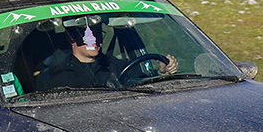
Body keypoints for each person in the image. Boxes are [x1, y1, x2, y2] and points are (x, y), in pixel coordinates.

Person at [35, 20, 178, 91]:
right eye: (87, 35)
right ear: (71, 39)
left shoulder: (115, 64)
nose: (95, 40)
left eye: (97, 33)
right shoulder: (58, 76)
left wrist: (161, 73)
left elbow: (142, 83)